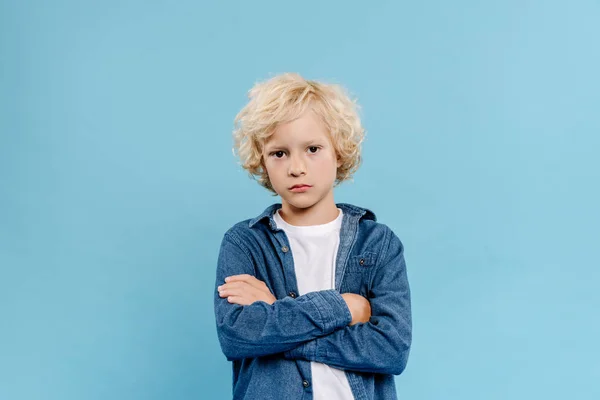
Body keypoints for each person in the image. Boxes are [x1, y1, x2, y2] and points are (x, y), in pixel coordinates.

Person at [214, 72, 412, 400]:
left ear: (338, 152)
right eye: (279, 153)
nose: (297, 167)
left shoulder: (377, 244)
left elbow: (390, 351)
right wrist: (344, 308)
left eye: (313, 148)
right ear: (262, 161)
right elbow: (238, 337)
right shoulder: (245, 243)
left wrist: (275, 313)